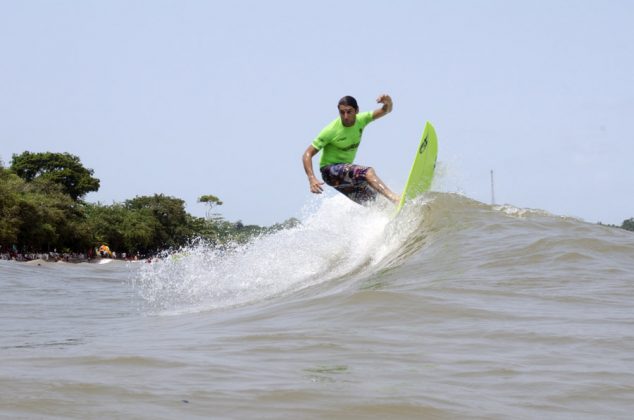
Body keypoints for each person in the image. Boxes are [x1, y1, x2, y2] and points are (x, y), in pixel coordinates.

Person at [302, 94, 400, 205]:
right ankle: (396, 199)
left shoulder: (362, 119)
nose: (346, 116)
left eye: (349, 111)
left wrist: (388, 102)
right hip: (329, 171)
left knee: (375, 201)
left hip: (344, 174)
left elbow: (386, 110)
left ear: (357, 110)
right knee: (368, 172)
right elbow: (307, 153)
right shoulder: (331, 130)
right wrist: (311, 178)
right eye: (342, 112)